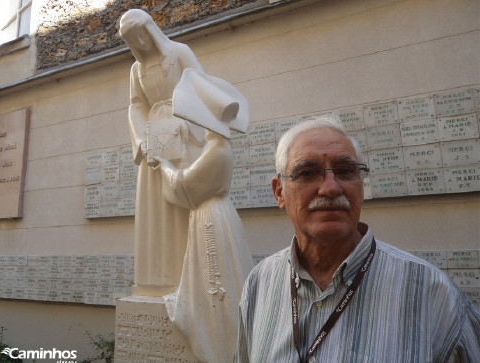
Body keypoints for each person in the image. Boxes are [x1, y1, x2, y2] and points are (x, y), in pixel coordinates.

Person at [234, 114, 480, 363]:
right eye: (307, 173)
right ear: (279, 192)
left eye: (345, 171)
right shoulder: (259, 284)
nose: (330, 188)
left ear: (361, 188)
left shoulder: (434, 294)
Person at [154, 68, 255, 362]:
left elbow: (186, 187)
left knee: (217, 283)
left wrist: (164, 165)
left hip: (211, 218)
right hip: (216, 215)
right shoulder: (218, 147)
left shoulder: (217, 150)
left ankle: (218, 343)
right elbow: (195, 177)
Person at [119, 9, 204, 295]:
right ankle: (155, 277)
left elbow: (201, 89)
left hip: (183, 131)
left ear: (151, 29)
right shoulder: (135, 70)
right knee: (155, 206)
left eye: (141, 34)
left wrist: (185, 120)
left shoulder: (179, 52)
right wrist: (142, 140)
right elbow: (135, 106)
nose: (140, 42)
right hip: (154, 136)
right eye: (132, 39)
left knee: (181, 199)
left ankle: (187, 275)